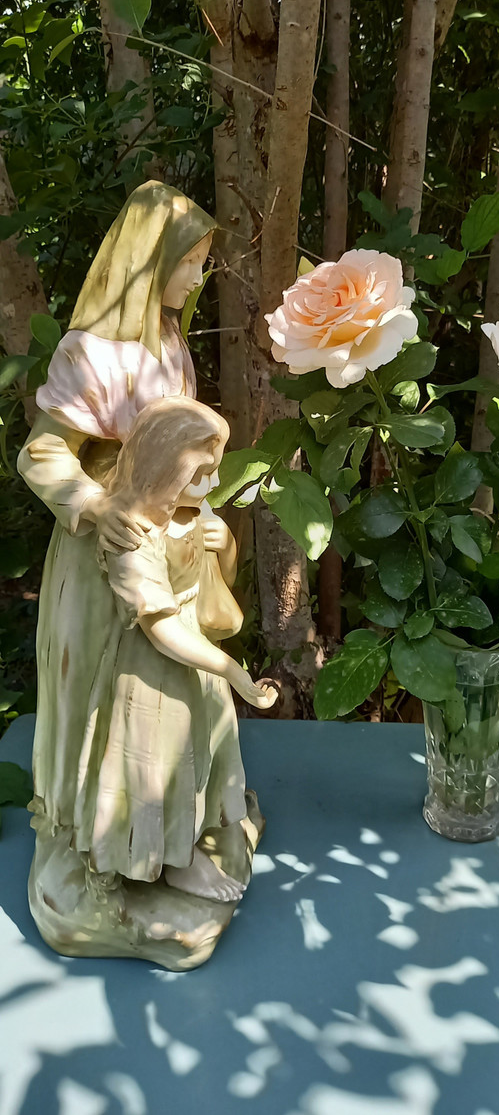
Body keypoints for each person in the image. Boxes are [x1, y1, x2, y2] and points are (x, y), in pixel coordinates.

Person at [18, 181, 265, 907]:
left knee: (190, 694)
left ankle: (188, 826)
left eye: (201, 262)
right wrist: (95, 503)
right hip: (111, 551)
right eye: (188, 262)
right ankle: (116, 842)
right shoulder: (91, 352)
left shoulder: (171, 342)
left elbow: (179, 457)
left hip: (168, 542)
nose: (197, 278)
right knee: (127, 705)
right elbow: (41, 454)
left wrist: (204, 520)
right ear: (146, 262)